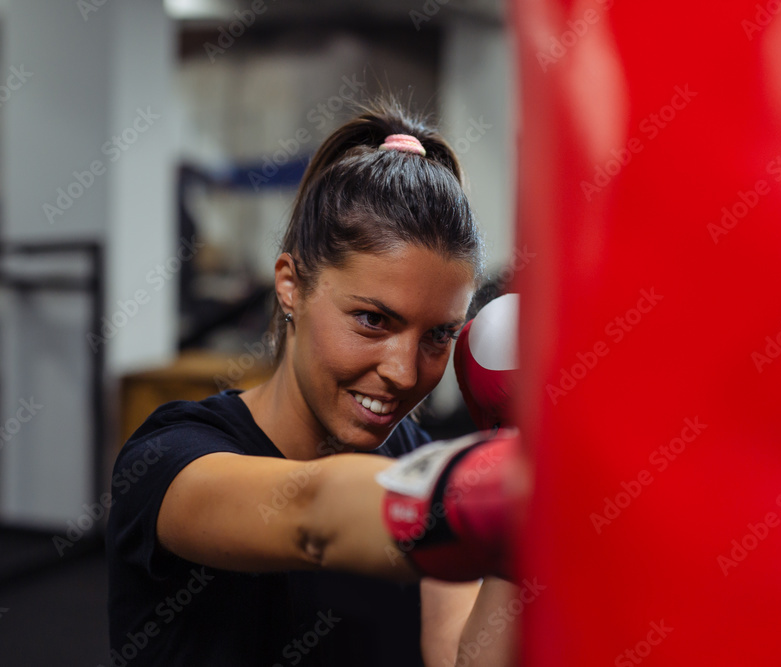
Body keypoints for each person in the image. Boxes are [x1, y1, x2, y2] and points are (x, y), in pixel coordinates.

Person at [106, 98, 516, 666]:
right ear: (291, 285)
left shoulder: (423, 463)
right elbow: (310, 514)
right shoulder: (169, 461)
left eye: (438, 336)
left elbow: (462, 660)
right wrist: (498, 488)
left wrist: (521, 455)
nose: (403, 371)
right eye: (373, 320)